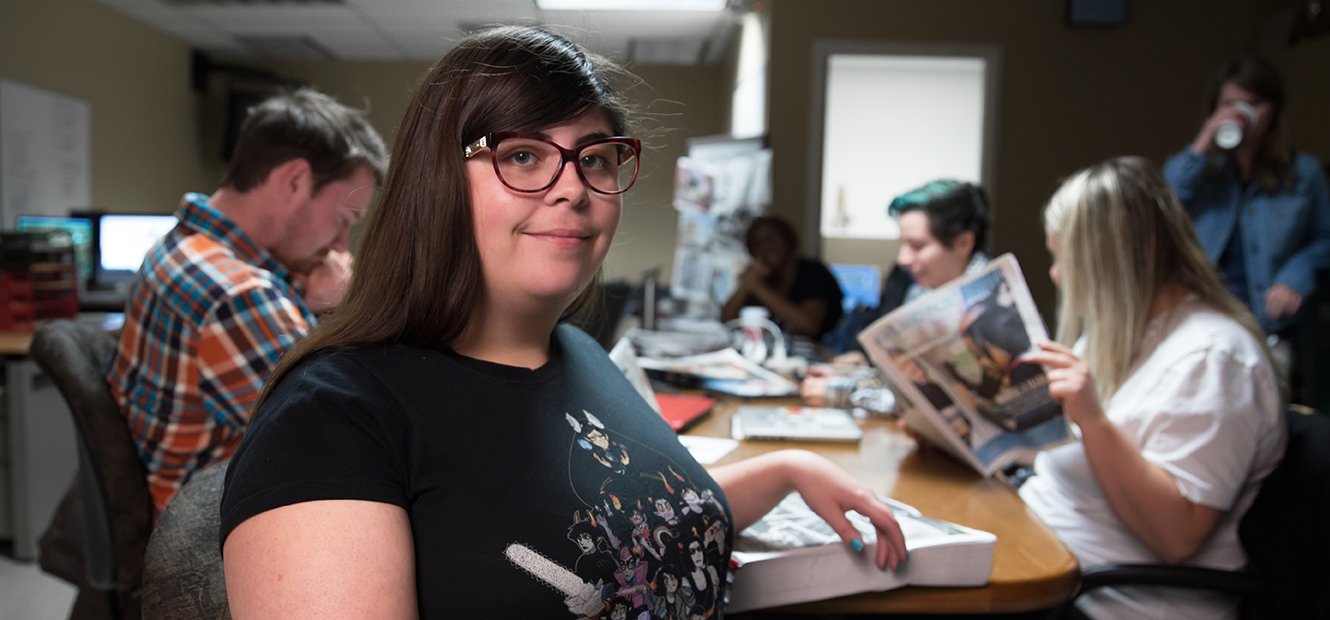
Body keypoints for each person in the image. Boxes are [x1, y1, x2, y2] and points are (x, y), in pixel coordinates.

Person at [219, 25, 905, 618]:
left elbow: (624, 520)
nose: (573, 186)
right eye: (523, 155)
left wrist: (787, 467)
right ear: (437, 181)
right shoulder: (332, 420)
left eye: (596, 158)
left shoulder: (577, 353)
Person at [1019, 157, 1286, 619]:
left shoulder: (1213, 358)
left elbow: (1176, 536)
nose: (1056, 274)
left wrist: (1094, 419)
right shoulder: (1122, 332)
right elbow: (1074, 453)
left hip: (1116, 602)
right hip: (1052, 563)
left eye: (1062, 257)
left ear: (1107, 258)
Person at [106, 88, 387, 513]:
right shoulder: (238, 296)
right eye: (342, 220)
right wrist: (341, 311)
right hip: (201, 529)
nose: (340, 246)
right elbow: (346, 445)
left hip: (175, 498)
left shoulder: (181, 245)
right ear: (294, 180)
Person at [1163, 55, 1330, 342]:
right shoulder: (1200, 171)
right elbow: (1161, 203)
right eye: (1229, 104)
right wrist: (1205, 139)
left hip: (1266, 323)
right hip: (1198, 320)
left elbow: (1326, 239)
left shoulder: (1305, 173)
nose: (1241, 113)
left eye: (1253, 104)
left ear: (1274, 110)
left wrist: (1295, 277)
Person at [805, 179, 991, 408]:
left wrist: (846, 394)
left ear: (963, 243)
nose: (903, 259)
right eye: (903, 244)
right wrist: (863, 371)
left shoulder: (991, 302)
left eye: (918, 246)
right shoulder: (919, 289)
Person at [720, 215, 844, 340]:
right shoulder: (762, 275)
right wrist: (745, 286)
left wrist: (757, 287)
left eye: (771, 239)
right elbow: (727, 321)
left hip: (822, 352)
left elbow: (808, 326)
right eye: (758, 243)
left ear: (787, 240)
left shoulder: (813, 273)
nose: (766, 247)